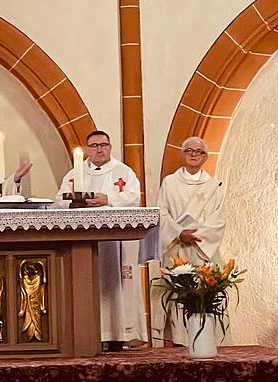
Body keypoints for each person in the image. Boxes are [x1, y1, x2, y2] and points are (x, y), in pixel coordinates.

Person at [53, 130, 146, 351]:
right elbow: (59, 200)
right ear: (87, 149)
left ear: (110, 147)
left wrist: (108, 199)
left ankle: (120, 333)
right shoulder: (75, 174)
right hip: (85, 244)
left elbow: (134, 197)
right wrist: (78, 203)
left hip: (117, 244)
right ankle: (93, 334)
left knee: (118, 284)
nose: (99, 149)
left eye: (103, 145)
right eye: (93, 146)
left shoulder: (123, 172)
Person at [151, 136, 225, 346]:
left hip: (202, 251)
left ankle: (205, 343)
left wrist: (196, 236)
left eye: (198, 151)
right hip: (177, 250)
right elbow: (161, 214)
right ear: (182, 155)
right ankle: (179, 345)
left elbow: (218, 219)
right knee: (178, 303)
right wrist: (178, 233)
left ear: (205, 157)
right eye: (188, 151)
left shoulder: (214, 185)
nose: (193, 154)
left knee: (204, 299)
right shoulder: (170, 183)